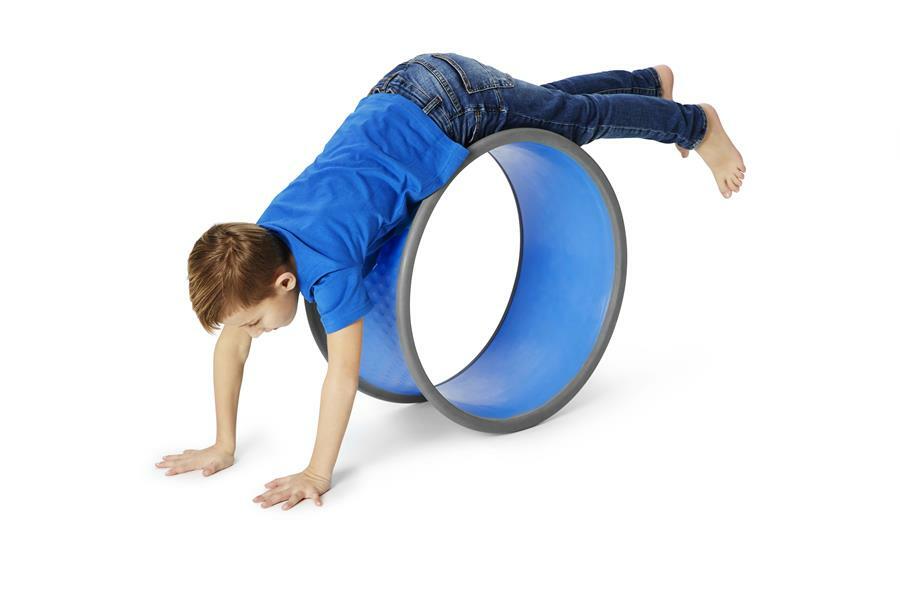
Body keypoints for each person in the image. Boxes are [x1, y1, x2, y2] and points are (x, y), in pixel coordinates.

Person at [156, 53, 747, 510]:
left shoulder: (329, 271)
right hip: (401, 92)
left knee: (572, 123)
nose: (253, 333)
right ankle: (648, 84)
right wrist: (222, 443)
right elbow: (231, 344)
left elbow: (342, 374)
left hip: (450, 108)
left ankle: (695, 126)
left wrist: (316, 472)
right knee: (546, 110)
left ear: (286, 282)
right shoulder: (266, 236)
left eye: (255, 322)